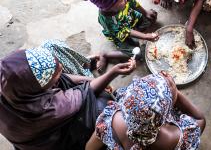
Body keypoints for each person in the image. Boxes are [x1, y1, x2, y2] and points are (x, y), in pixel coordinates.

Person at [0, 46, 136, 150]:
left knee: (52, 45)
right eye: (57, 75)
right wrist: (112, 73)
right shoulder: (49, 109)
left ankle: (85, 66)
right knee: (105, 106)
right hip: (55, 142)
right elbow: (86, 92)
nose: (62, 72)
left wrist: (91, 79)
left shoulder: (11, 83)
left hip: (38, 127)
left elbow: (64, 78)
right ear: (39, 89)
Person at [86, 71, 206, 150]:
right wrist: (176, 93)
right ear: (165, 113)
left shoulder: (113, 117)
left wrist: (170, 93)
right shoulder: (174, 138)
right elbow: (200, 119)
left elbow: (89, 148)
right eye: (168, 86)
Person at [76, 0, 159, 58]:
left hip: (130, 18)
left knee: (151, 17)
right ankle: (106, 55)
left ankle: (136, 31)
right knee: (137, 53)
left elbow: (133, 3)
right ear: (109, 6)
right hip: (119, 34)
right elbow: (124, 31)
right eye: (122, 0)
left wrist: (145, 13)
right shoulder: (108, 21)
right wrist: (145, 36)